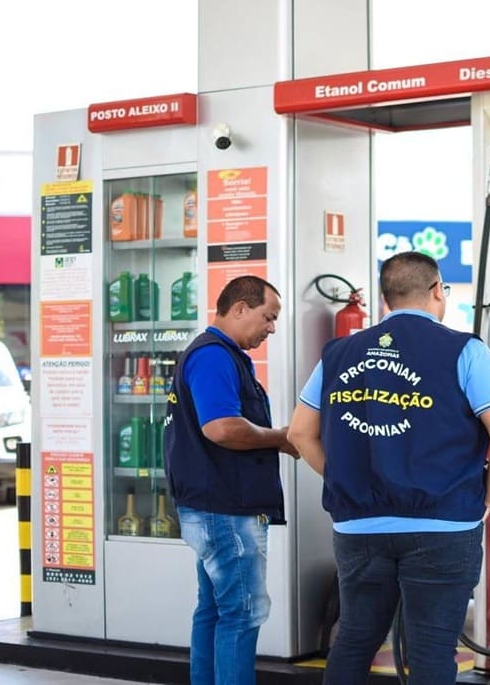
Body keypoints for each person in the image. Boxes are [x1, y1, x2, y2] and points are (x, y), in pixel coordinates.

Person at [287, 251, 490, 685]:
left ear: (385, 298)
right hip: (444, 523)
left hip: (358, 525)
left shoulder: (338, 354)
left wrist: (345, 481)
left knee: (354, 640)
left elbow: (300, 434)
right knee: (431, 649)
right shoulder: (465, 351)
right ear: (436, 291)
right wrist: (485, 499)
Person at [163, 275, 298, 685]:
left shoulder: (218, 355)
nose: (271, 328)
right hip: (226, 510)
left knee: (214, 610)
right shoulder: (213, 357)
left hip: (212, 506)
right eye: (268, 317)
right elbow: (221, 428)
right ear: (240, 308)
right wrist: (281, 438)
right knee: (242, 612)